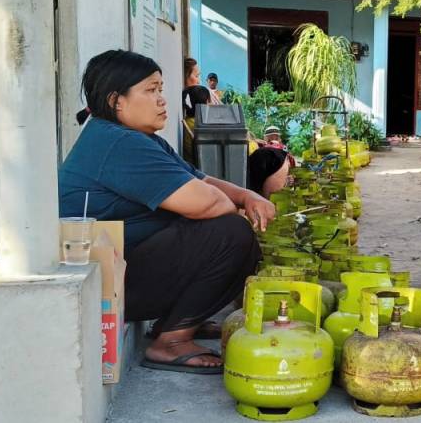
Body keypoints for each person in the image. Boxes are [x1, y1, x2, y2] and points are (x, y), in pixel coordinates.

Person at [60, 50, 275, 374]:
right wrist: (240, 208)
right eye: (151, 90)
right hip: (106, 283)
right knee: (231, 234)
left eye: (161, 89)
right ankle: (170, 342)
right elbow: (207, 203)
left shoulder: (135, 137)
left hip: (127, 269)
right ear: (117, 100)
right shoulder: (119, 144)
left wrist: (247, 195)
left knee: (227, 227)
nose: (162, 100)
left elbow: (198, 179)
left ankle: (179, 320)